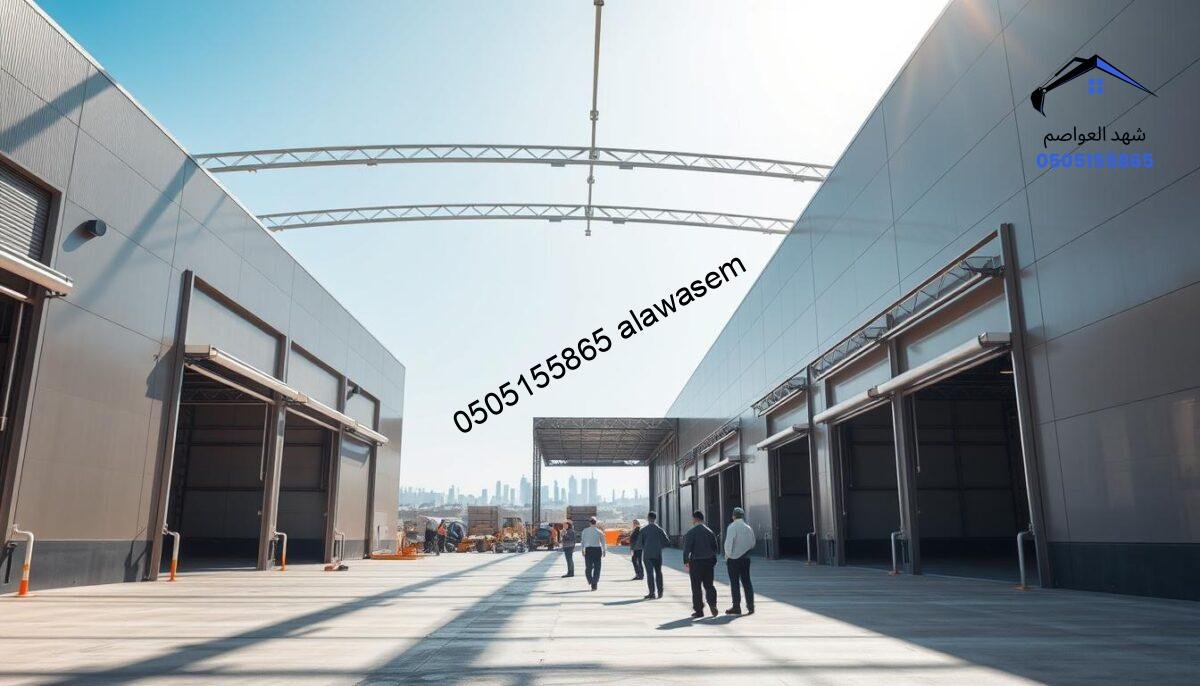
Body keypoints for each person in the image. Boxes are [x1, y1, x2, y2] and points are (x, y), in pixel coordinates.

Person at [683, 509, 719, 618]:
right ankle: (713, 604)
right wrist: (713, 559)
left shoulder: (691, 532)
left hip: (696, 563)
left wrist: (686, 562)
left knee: (696, 587)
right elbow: (715, 548)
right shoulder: (710, 532)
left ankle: (699, 611)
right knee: (709, 585)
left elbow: (687, 549)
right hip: (708, 562)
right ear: (702, 519)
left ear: (695, 519)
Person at [723, 507, 756, 615]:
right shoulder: (748, 527)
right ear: (742, 516)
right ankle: (750, 606)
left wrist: (728, 556)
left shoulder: (732, 527)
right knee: (747, 582)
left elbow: (728, 544)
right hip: (746, 558)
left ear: (733, 516)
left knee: (734, 583)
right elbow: (753, 543)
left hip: (733, 560)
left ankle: (736, 607)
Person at [639, 511, 670, 599]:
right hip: (657, 554)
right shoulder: (660, 530)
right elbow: (667, 542)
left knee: (650, 574)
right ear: (655, 518)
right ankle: (660, 592)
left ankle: (652, 593)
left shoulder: (643, 530)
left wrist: (646, 546)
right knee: (658, 573)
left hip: (647, 555)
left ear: (648, 518)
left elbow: (639, 544)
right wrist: (659, 547)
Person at [580, 516, 607, 590]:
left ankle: (590, 580)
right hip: (597, 550)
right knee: (597, 567)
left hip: (588, 550)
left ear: (589, 523)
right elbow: (603, 542)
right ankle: (594, 583)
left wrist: (582, 549)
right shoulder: (599, 531)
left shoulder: (585, 531)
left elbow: (582, 541)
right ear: (596, 523)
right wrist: (604, 550)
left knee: (588, 567)